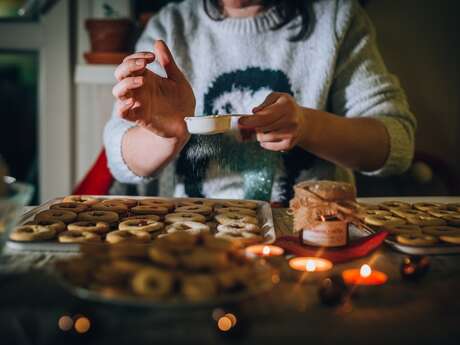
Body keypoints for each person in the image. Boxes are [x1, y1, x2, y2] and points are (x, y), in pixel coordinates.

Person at [104, 0, 416, 204]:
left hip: (313, 235)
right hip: (195, 237)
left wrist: (308, 126)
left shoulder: (337, 18)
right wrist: (168, 136)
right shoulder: (170, 25)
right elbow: (122, 159)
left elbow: (395, 144)